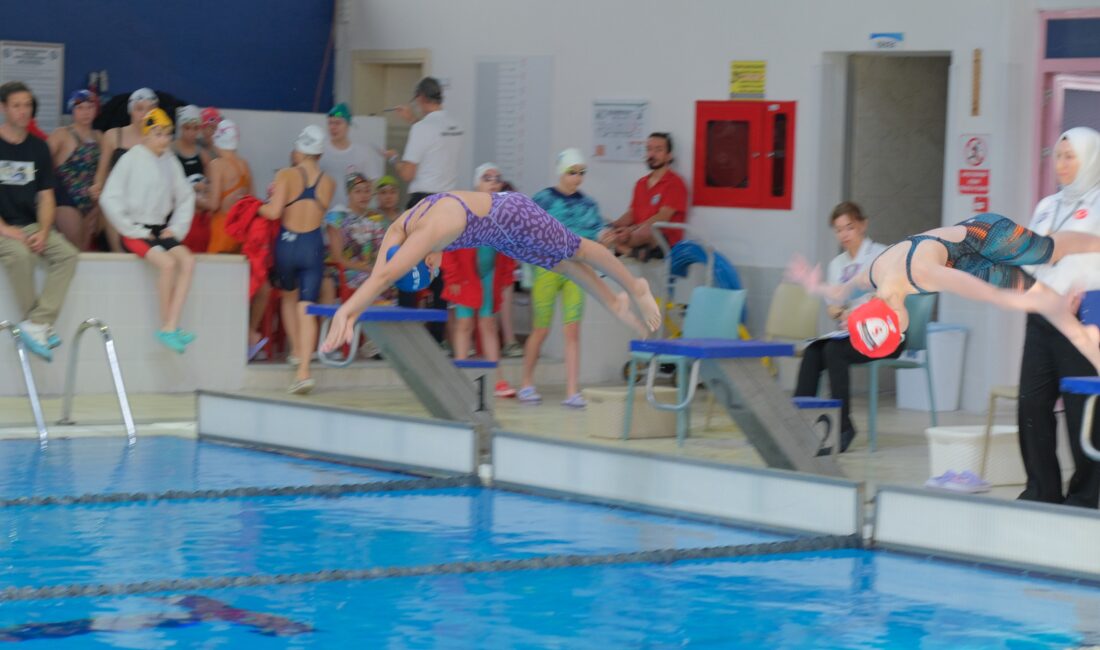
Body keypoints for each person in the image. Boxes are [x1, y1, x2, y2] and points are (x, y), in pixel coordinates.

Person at [321, 190, 662, 355]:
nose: (435, 267)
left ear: (421, 257)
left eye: (430, 268)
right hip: (499, 236)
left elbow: (383, 277)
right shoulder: (399, 230)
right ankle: (613, 301)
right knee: (563, 266)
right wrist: (354, 313)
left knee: (578, 250)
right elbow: (383, 273)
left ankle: (636, 286)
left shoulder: (432, 231)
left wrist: (346, 312)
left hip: (512, 215)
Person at [786, 214, 1100, 375]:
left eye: (900, 333)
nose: (905, 331)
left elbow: (991, 296)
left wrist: (1028, 300)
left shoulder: (922, 273)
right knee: (1046, 301)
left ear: (895, 318)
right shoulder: (872, 274)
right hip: (969, 265)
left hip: (984, 235)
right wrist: (814, 285)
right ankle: (1093, 350)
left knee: (1046, 251)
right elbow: (840, 291)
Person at [1017, 127, 1100, 508]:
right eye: (1058, 156)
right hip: (1041, 316)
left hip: (1083, 318)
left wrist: (1084, 285)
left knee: (1083, 410)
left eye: (1070, 157)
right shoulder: (1046, 206)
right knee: (1032, 405)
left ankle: (1085, 496)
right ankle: (1041, 491)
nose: (1061, 164)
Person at [792, 202, 890, 452]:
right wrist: (840, 311)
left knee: (834, 351)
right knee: (814, 350)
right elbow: (832, 307)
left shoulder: (882, 255)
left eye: (850, 227)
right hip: (852, 332)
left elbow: (889, 298)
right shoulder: (837, 264)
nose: (844, 234)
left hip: (884, 332)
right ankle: (800, 422)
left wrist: (859, 312)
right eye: (838, 230)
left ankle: (843, 426)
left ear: (863, 225)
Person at [100, 108, 197, 353]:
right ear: (145, 135)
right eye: (158, 134)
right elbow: (108, 197)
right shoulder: (131, 158)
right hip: (134, 230)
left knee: (188, 261)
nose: (164, 139)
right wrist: (131, 228)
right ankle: (167, 326)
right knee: (168, 264)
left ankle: (172, 324)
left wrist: (176, 228)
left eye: (167, 134)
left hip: (160, 228)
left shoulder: (170, 161)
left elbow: (186, 196)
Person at [518, 149, 606, 408]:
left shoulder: (589, 205)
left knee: (572, 330)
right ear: (561, 172)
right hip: (547, 269)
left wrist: (607, 238)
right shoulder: (543, 200)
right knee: (541, 329)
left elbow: (597, 233)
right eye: (572, 172)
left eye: (581, 173)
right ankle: (526, 383)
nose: (577, 178)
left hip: (576, 270)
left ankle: (571, 390)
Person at [0, 81, 78, 361]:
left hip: (30, 223)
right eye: (16, 105)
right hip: (2, 227)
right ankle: (36, 324)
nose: (23, 111)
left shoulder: (39, 148)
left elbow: (46, 197)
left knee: (68, 255)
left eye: (27, 105)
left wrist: (44, 231)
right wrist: (6, 230)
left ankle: (37, 322)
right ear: (3, 108)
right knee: (21, 256)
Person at [385, 77, 464, 343]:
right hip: (448, 204)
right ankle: (436, 337)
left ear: (419, 98)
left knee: (407, 265)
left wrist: (394, 158)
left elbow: (408, 173)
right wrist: (413, 121)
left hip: (422, 203)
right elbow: (435, 143)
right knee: (438, 271)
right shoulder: (456, 126)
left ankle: (406, 335)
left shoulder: (422, 129)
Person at [259, 125, 335, 395]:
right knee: (307, 307)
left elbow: (273, 212)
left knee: (289, 298)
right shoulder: (329, 182)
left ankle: (296, 351)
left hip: (288, 244)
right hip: (313, 246)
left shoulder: (286, 174)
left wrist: (255, 206)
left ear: (300, 149)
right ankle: (304, 371)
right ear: (321, 152)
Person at [442, 163, 516, 397]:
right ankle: (461, 377)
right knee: (464, 324)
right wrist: (452, 276)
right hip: (464, 276)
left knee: (489, 324)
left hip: (488, 274)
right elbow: (447, 245)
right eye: (487, 178)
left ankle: (498, 378)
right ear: (477, 185)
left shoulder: (502, 215)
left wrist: (505, 277)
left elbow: (508, 250)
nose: (493, 182)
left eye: (497, 178)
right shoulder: (463, 211)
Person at [600, 132, 688, 260]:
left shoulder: (675, 183)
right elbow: (632, 213)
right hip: (637, 235)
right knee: (605, 230)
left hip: (663, 241)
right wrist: (614, 225)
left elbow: (663, 217)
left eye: (658, 150)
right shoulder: (641, 183)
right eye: (649, 149)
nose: (652, 154)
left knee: (646, 230)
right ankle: (628, 250)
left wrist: (631, 230)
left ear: (669, 156)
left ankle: (620, 247)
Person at [94, 87, 158, 251]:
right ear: (130, 111)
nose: (144, 114)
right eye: (139, 109)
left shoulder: (159, 140)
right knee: (111, 205)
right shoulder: (113, 136)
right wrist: (97, 188)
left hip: (144, 203)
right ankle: (118, 251)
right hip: (117, 199)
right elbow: (101, 173)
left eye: (150, 109)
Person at [47, 89, 102, 250]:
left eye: (90, 107)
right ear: (72, 110)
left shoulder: (100, 136)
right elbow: (40, 162)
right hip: (66, 198)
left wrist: (98, 197)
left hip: (91, 200)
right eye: (80, 108)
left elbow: (104, 169)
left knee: (86, 248)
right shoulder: (61, 134)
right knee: (75, 247)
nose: (86, 112)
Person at [323, 172, 385, 296]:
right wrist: (368, 269)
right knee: (375, 283)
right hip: (345, 272)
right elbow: (337, 258)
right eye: (358, 191)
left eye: (367, 191)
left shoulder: (374, 217)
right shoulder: (338, 216)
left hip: (370, 270)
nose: (363, 196)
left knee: (399, 281)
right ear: (349, 193)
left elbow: (380, 251)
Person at [320, 103, 381, 211]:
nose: (333, 127)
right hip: (324, 213)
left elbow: (372, 184)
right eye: (330, 123)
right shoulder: (319, 151)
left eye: (338, 123)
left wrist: (363, 208)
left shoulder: (363, 153)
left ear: (348, 125)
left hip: (353, 215)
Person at [205, 120, 253, 253]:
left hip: (223, 228)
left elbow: (214, 204)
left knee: (216, 265)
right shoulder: (244, 164)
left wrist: (195, 199)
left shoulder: (217, 165)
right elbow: (252, 199)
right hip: (241, 228)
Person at [174, 105, 214, 252]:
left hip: (197, 216)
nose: (191, 133)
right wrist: (191, 188)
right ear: (180, 127)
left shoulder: (204, 155)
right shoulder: (170, 152)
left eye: (195, 128)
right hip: (176, 214)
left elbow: (212, 187)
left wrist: (205, 188)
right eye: (187, 128)